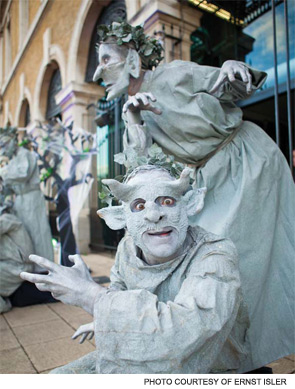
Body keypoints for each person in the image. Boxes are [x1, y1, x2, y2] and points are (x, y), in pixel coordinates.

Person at [92, 22, 295, 371]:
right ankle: (234, 355)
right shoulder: (134, 107)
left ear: (132, 61)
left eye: (106, 59)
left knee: (240, 256)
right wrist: (133, 119)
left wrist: (234, 67)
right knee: (211, 259)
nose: (99, 72)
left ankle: (246, 356)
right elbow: (140, 168)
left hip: (246, 162)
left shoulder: (173, 73)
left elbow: (228, 84)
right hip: (209, 177)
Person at [21, 165, 250, 374]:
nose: (153, 214)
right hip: (141, 348)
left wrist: (90, 296)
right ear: (122, 219)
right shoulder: (127, 248)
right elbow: (119, 288)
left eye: (167, 201)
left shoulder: (216, 254)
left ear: (189, 204)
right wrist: (109, 318)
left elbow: (186, 332)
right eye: (139, 206)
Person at [0, 127, 54, 265]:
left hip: (31, 199)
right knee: (25, 234)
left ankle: (43, 266)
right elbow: (10, 185)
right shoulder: (12, 159)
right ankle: (29, 265)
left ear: (13, 141)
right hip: (20, 200)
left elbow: (22, 174)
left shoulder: (25, 154)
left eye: (5, 144)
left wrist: (3, 173)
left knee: (37, 233)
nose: (3, 148)